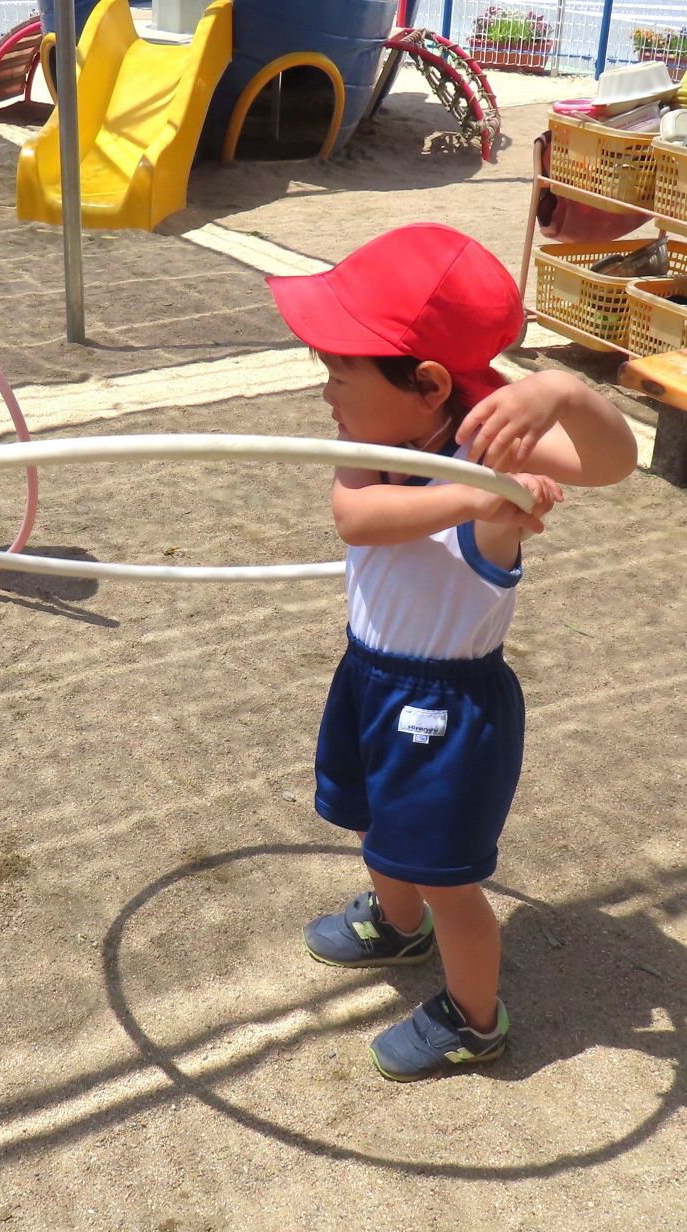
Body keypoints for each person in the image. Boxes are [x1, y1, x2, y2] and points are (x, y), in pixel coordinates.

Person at [267, 222, 638, 1081]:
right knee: (376, 824)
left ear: (429, 383)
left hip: (446, 705)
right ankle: (399, 929)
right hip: (369, 676)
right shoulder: (381, 454)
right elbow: (356, 519)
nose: (326, 390)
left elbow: (613, 461)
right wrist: (472, 500)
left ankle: (476, 1018)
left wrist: (560, 393)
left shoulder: (493, 460)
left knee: (447, 877)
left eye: (340, 370)